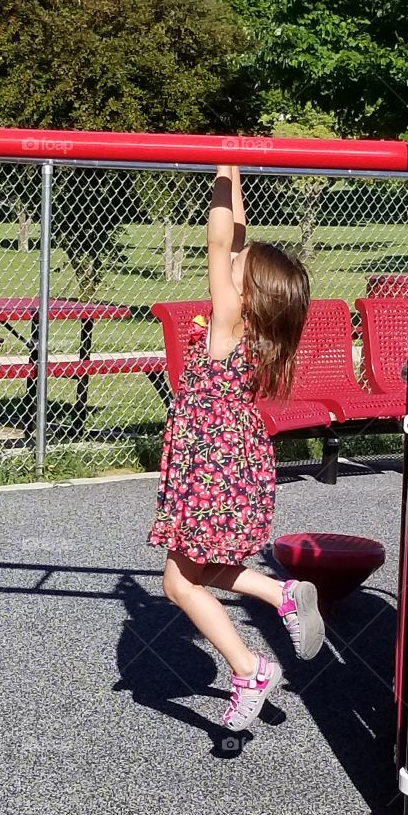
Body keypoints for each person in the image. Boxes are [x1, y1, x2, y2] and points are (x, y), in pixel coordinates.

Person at [148, 164, 323, 733]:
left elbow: (220, 237)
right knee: (208, 569)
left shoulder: (226, 321)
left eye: (236, 270)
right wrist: (232, 165)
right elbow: (237, 239)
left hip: (210, 463)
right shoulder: (260, 331)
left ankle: (249, 668)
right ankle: (283, 595)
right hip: (235, 459)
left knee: (179, 582)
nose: (229, 264)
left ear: (245, 291)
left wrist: (221, 176)